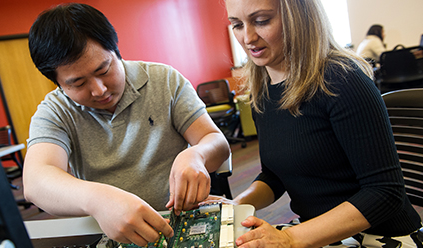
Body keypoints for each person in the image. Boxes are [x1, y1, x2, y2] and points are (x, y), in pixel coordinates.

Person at [202, 0, 423, 247]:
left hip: (380, 234)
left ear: (299, 18)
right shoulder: (262, 92)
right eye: (237, 25)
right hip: (316, 230)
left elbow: (386, 193)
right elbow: (274, 176)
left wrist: (289, 238)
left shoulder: (342, 79)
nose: (248, 37)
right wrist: (238, 204)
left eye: (262, 21)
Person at [23, 3, 230, 246]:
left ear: (116, 52)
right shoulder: (55, 111)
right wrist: (100, 200)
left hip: (180, 220)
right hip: (113, 232)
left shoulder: (164, 80)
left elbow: (216, 142)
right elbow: (36, 182)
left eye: (104, 70)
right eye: (78, 84)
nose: (99, 90)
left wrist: (197, 155)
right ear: (58, 84)